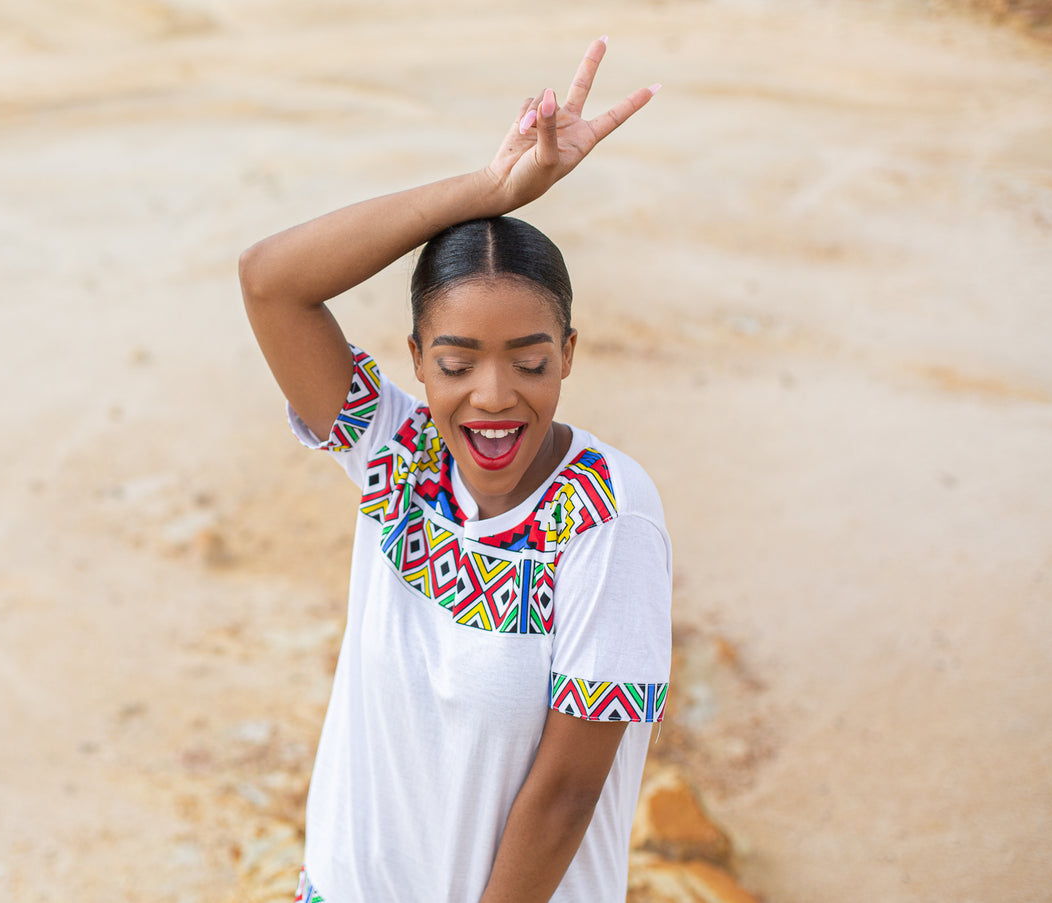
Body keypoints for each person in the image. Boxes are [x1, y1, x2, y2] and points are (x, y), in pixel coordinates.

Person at [238, 37, 671, 903]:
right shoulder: (395, 456)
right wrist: (490, 192)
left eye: (529, 361)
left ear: (570, 354)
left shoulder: (604, 515)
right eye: (457, 361)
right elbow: (270, 282)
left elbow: (564, 794)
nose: (494, 397)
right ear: (416, 360)